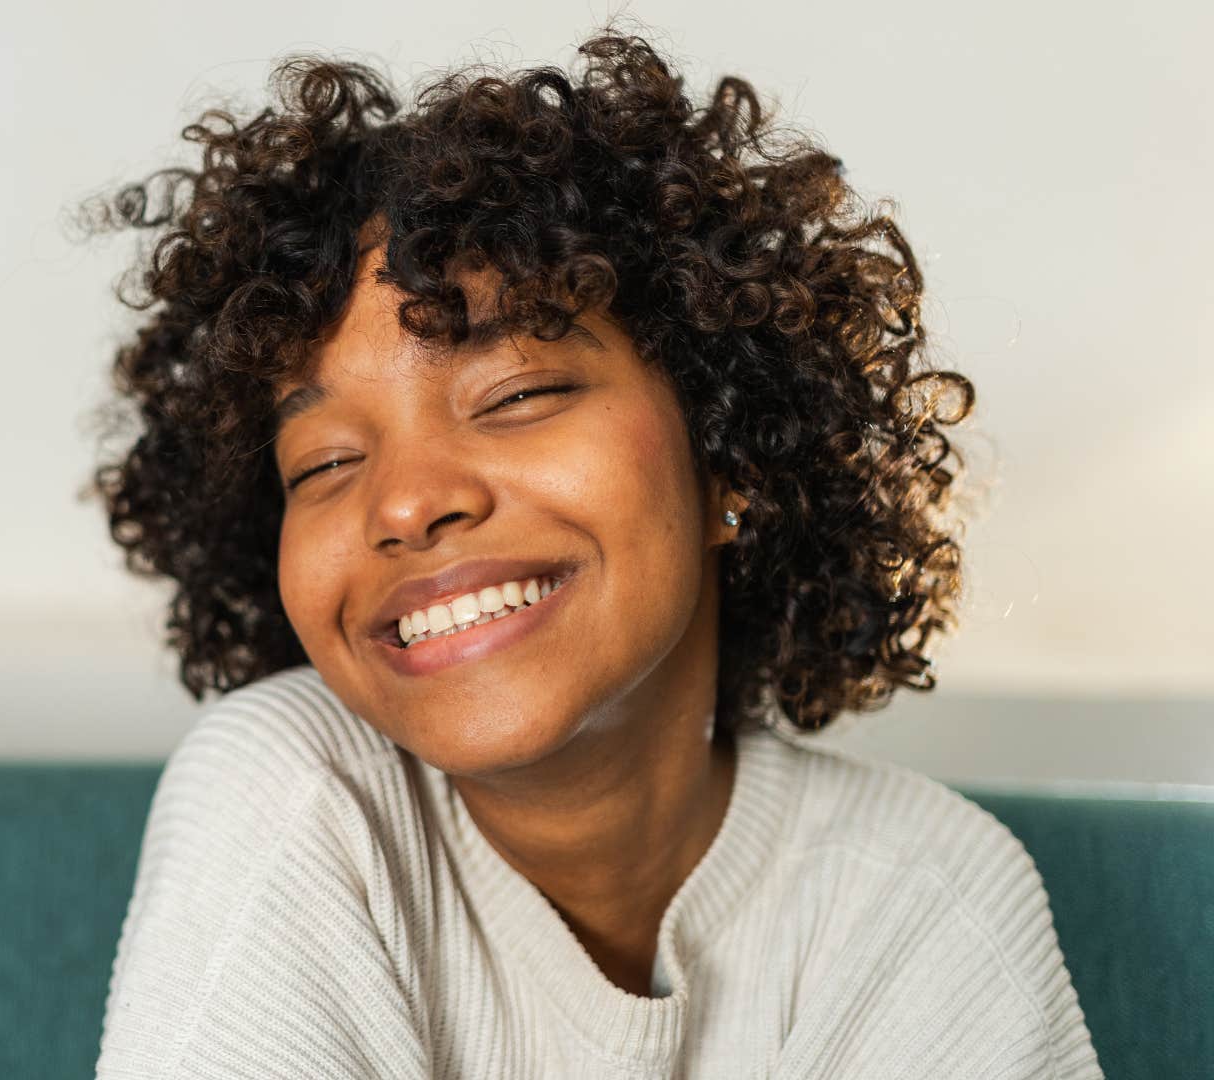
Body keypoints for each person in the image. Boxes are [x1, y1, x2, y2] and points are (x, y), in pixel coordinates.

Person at [80, 25, 1103, 1079]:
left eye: (516, 394)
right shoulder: (294, 791)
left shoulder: (921, 897)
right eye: (323, 462)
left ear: (730, 454)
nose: (407, 502)